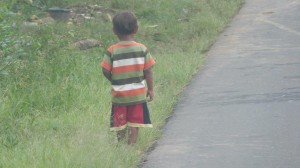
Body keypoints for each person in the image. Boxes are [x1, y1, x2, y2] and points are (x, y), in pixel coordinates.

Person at [100, 11, 155, 145]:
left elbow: (105, 69)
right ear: (136, 29)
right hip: (137, 94)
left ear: (114, 31)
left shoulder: (112, 50)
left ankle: (121, 145)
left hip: (119, 95)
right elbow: (148, 71)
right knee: (135, 122)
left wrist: (115, 80)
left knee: (120, 122)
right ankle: (131, 146)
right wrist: (151, 89)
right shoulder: (142, 49)